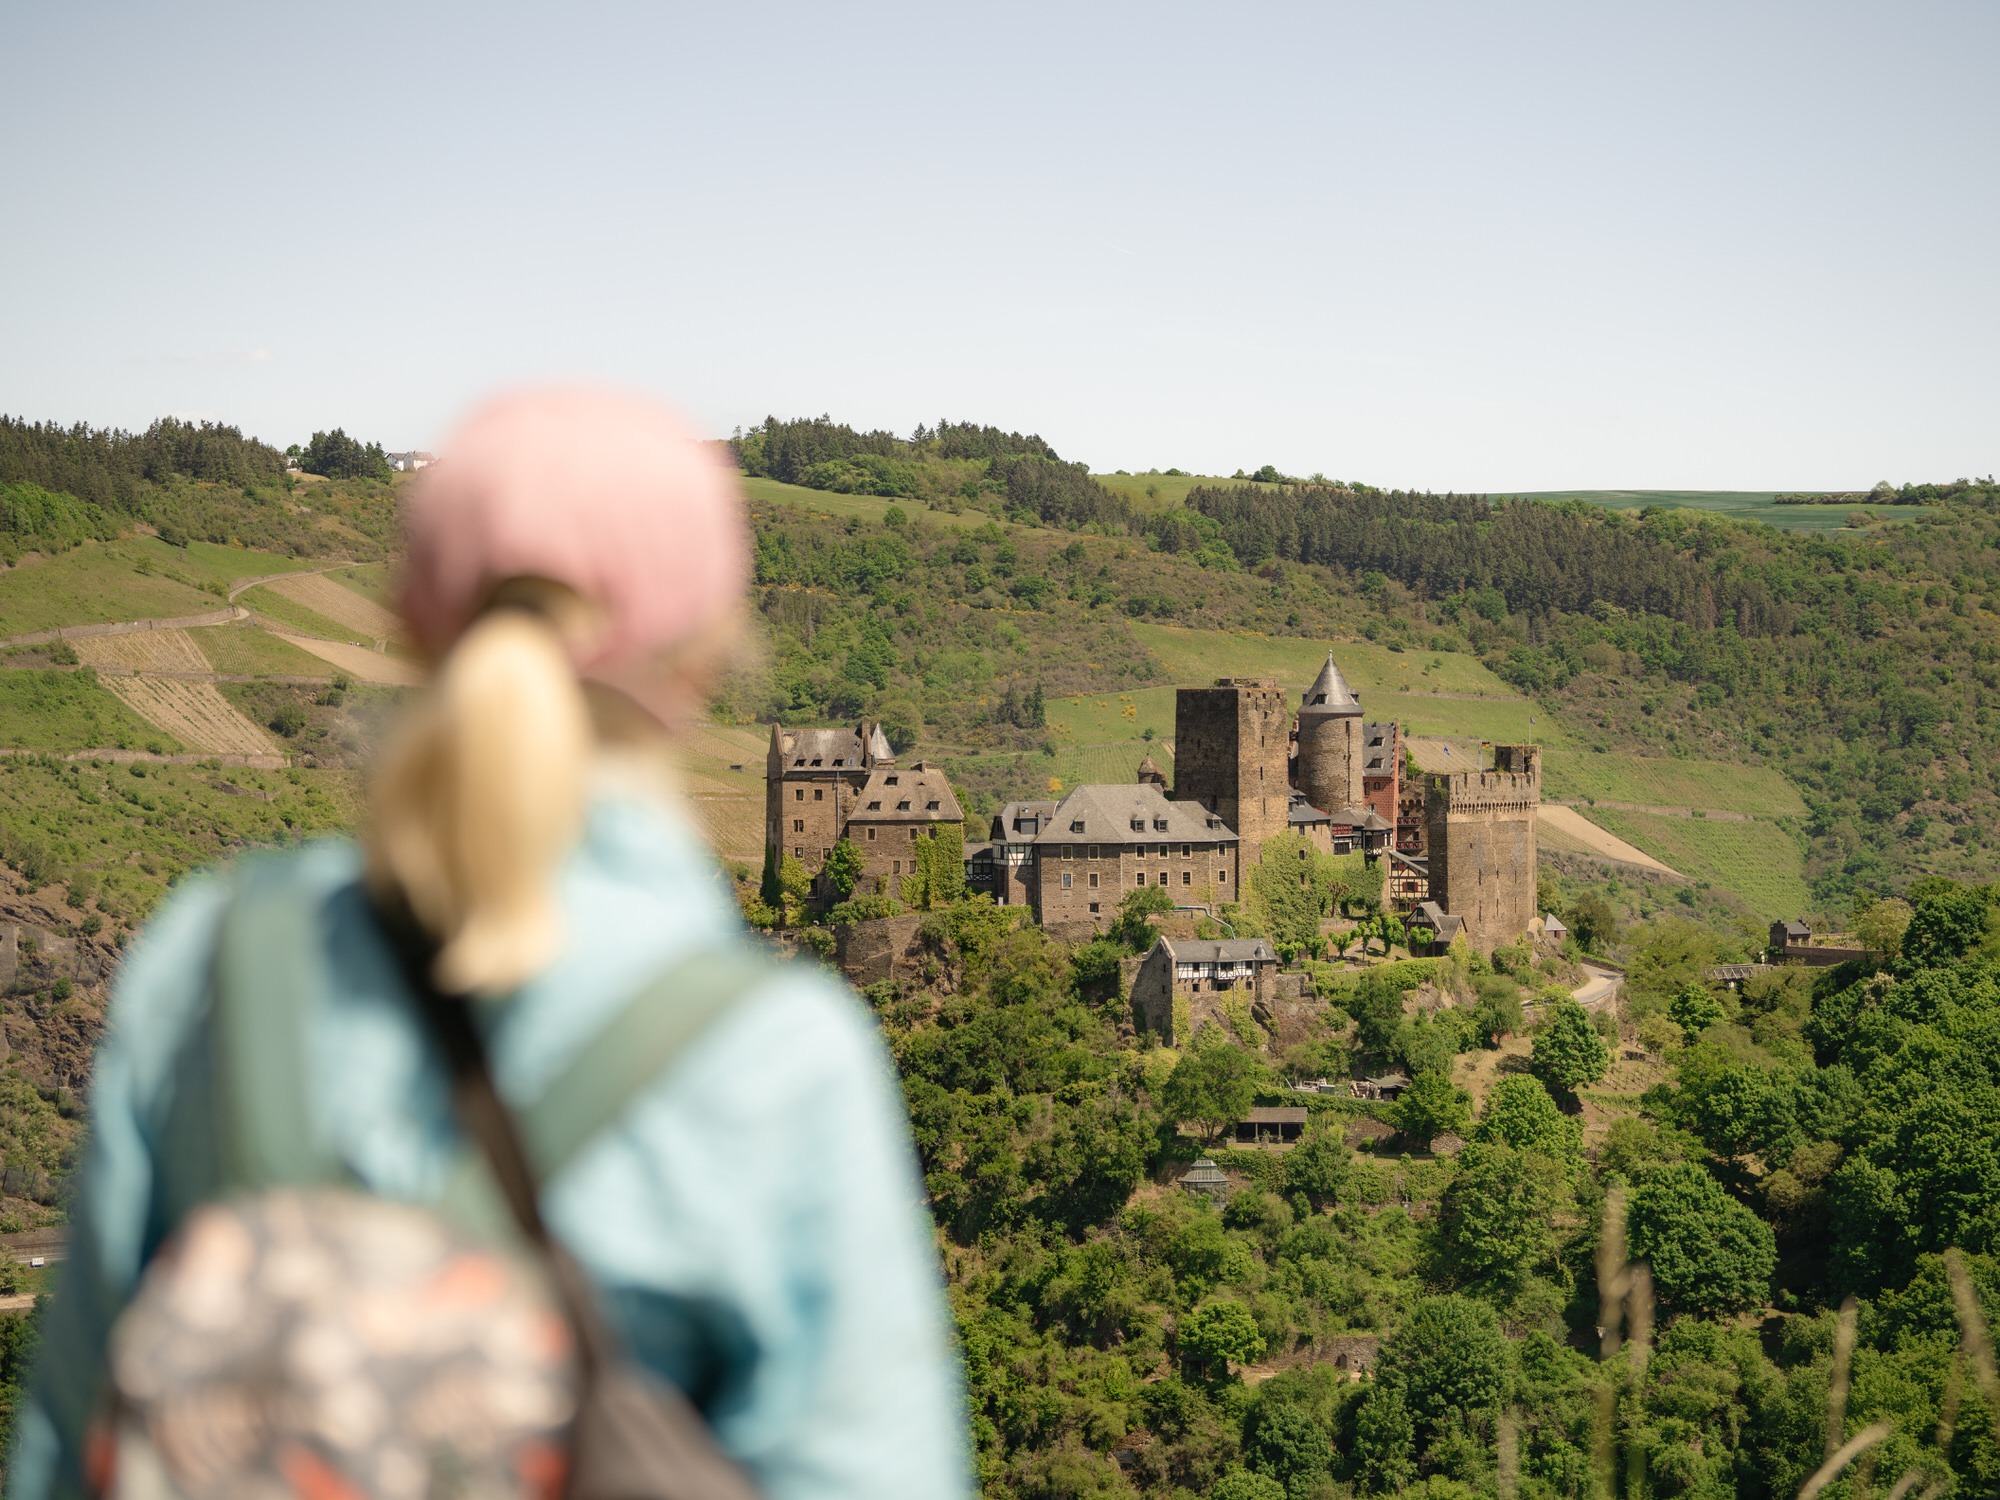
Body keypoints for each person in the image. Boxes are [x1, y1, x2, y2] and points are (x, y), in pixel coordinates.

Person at [6, 390, 970, 1500]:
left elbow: (67, 1451)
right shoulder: (776, 1056)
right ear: (704, 659)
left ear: (411, 624)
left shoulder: (211, 959)